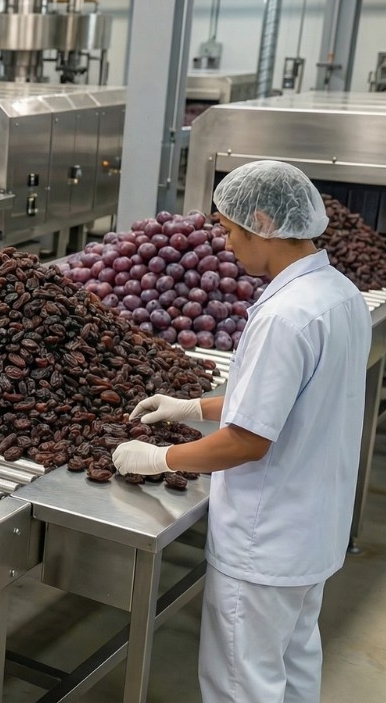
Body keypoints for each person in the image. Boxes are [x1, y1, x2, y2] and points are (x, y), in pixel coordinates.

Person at [112, 160, 370, 703]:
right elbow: (287, 399)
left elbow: (249, 440)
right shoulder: (339, 293)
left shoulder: (283, 316)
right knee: (294, 669)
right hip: (313, 530)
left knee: (242, 686)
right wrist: (193, 406)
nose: (226, 244)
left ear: (263, 223)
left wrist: (159, 460)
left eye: (230, 230)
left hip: (266, 541)